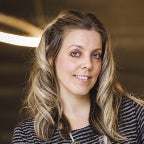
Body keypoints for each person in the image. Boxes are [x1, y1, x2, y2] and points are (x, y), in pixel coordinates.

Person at [12, 10, 144, 144]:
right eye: (75, 53)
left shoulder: (134, 114)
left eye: (96, 55)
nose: (88, 64)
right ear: (51, 57)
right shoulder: (27, 136)